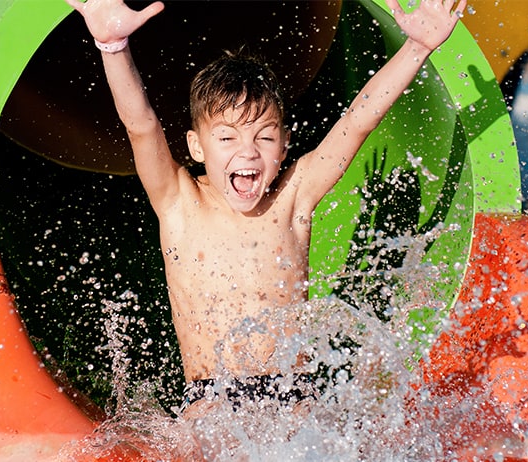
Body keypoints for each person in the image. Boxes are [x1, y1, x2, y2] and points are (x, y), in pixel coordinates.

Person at [65, 0, 466, 417]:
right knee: (202, 424)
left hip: (293, 394)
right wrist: (112, 47)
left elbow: (356, 122)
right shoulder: (178, 201)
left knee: (310, 422)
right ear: (196, 147)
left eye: (264, 137)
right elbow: (141, 126)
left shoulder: (295, 196)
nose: (248, 152)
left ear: (285, 145)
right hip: (210, 395)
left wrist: (417, 47)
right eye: (227, 138)